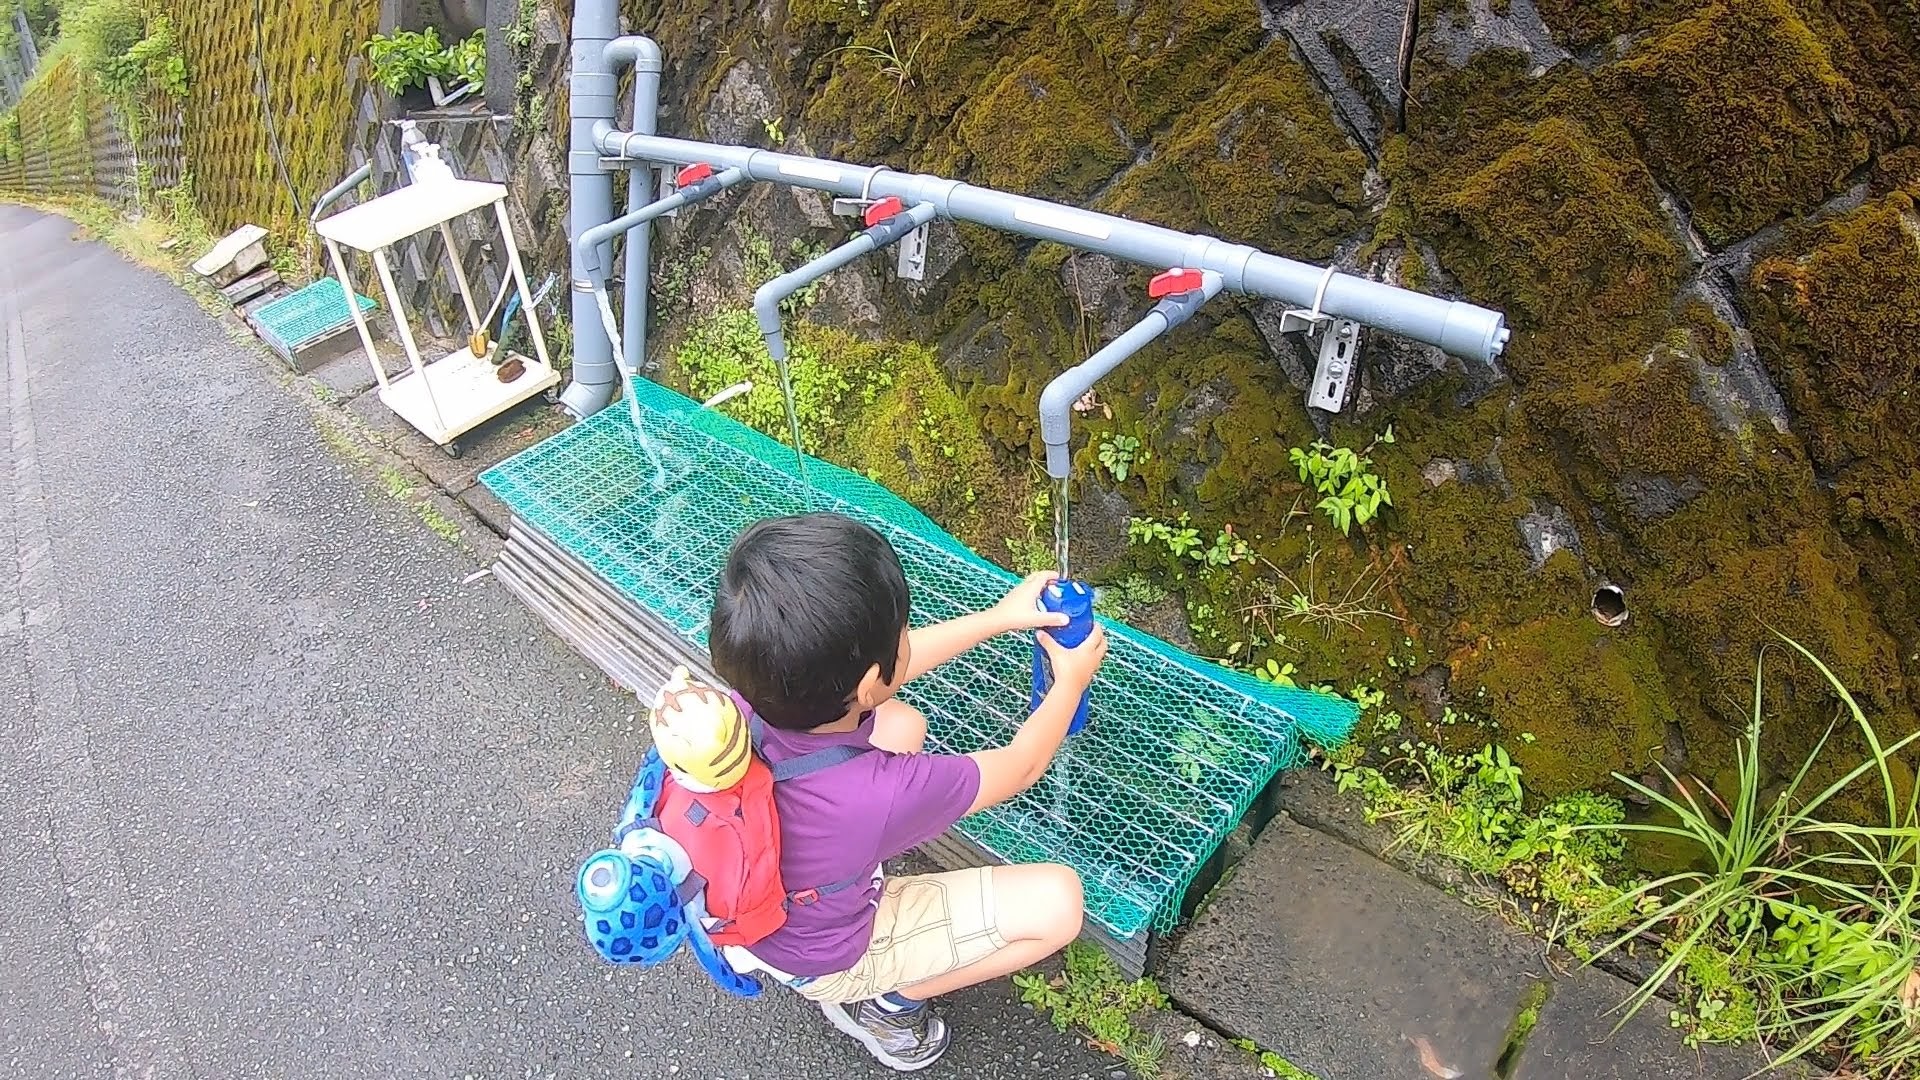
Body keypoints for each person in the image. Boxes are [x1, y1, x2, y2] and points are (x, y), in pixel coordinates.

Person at [707, 511, 1109, 1072]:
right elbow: (1022, 766)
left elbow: (879, 676)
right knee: (1058, 903)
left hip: (759, 898)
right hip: (825, 954)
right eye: (900, 634)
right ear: (868, 681)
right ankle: (888, 1005)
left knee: (901, 724)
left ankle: (844, 900)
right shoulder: (873, 795)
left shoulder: (737, 708)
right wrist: (1071, 683)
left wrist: (998, 618)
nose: (906, 642)